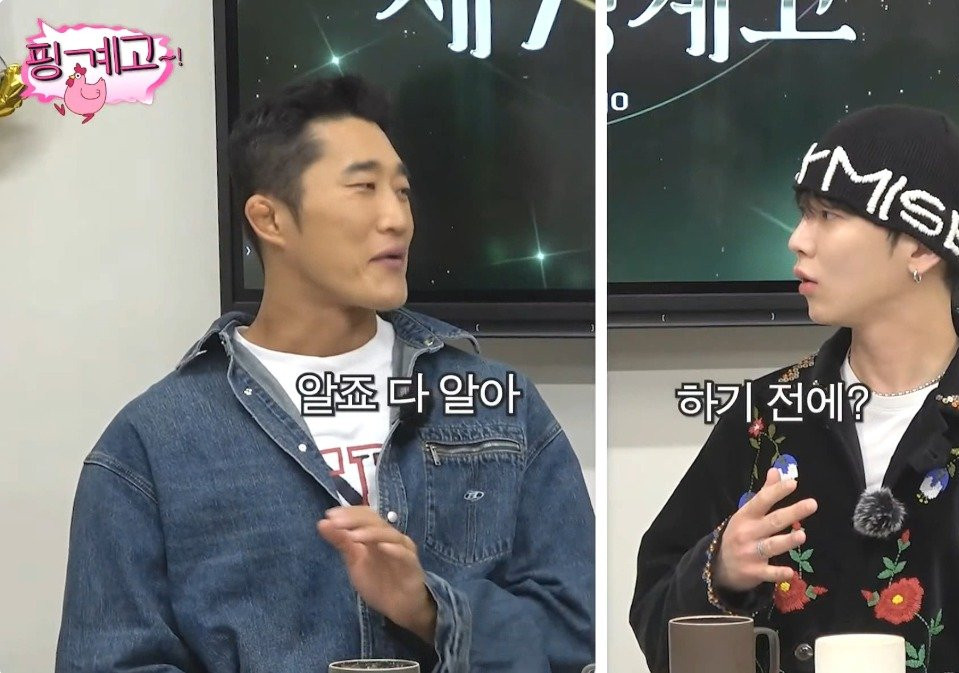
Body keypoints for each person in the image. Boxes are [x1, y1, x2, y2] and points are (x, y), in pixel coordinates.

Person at [55, 75, 594, 673]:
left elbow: (577, 633)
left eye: (403, 191)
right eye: (364, 188)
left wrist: (430, 610)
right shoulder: (153, 442)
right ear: (270, 219)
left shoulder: (496, 405)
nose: (397, 218)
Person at [630, 105, 959, 673]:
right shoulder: (764, 419)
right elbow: (655, 618)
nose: (797, 240)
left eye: (828, 215)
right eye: (803, 213)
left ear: (922, 246)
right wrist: (718, 572)